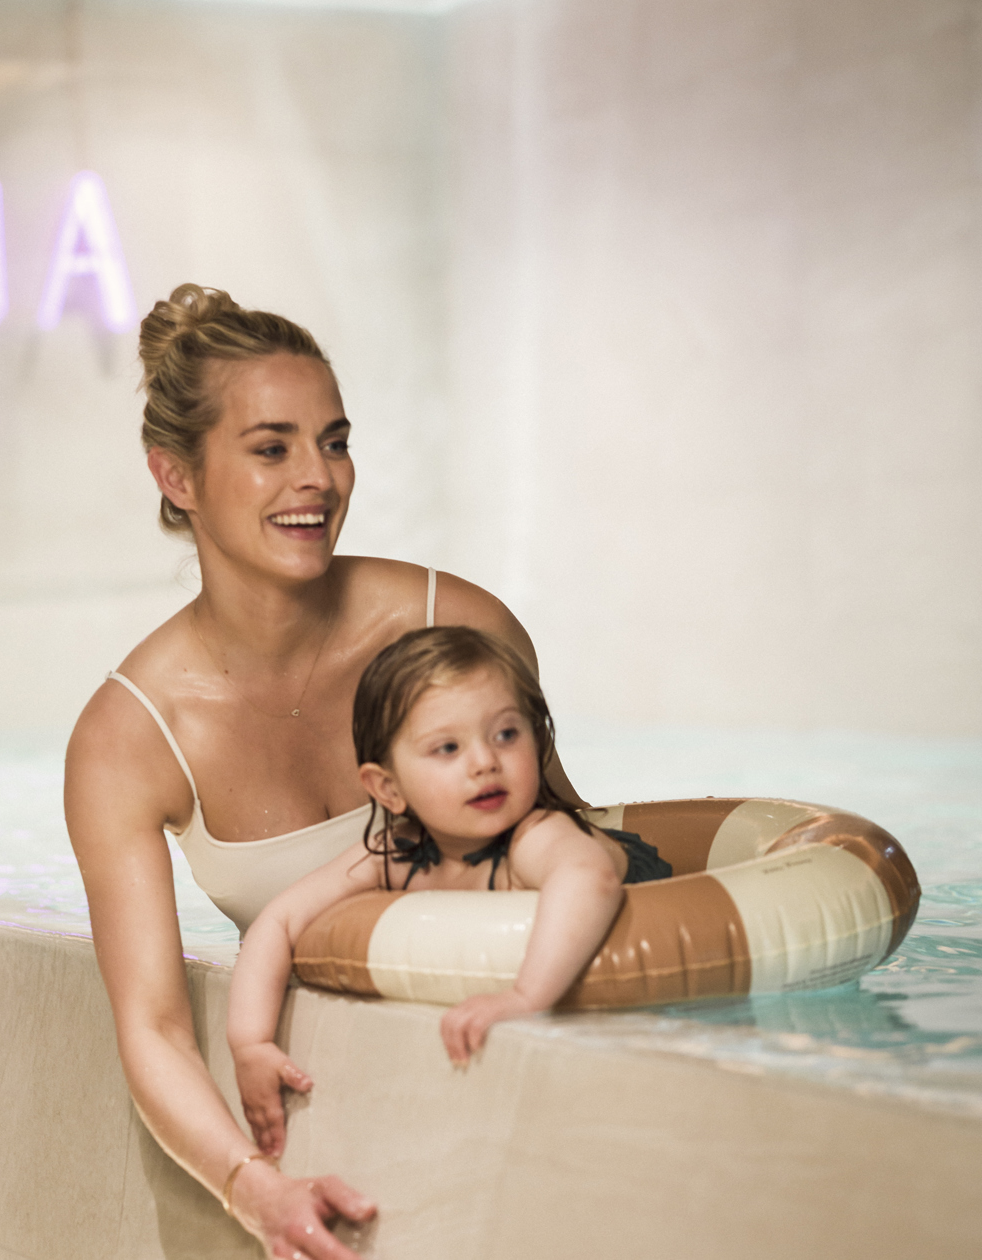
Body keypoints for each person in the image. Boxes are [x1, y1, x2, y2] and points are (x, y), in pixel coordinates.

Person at [64, 284, 586, 1260]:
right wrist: (252, 1189)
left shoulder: (459, 633)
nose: (320, 479)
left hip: (499, 1054)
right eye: (272, 449)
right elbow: (154, 1028)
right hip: (327, 1108)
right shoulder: (130, 738)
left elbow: (565, 857)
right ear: (176, 474)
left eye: (335, 442)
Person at [226, 625, 673, 1158]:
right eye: (447, 748)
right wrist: (250, 1042)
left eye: (506, 734)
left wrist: (525, 997)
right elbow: (278, 921)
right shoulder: (396, 852)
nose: (484, 761)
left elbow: (589, 880)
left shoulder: (536, 838)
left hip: (636, 884)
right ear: (388, 788)